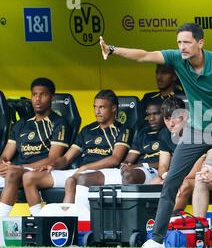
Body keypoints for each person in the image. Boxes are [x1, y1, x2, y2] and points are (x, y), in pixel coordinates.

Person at [99, 22, 212, 248]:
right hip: (196, 131)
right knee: (171, 180)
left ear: (200, 43)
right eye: (179, 43)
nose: (182, 47)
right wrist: (113, 49)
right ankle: (156, 239)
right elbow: (144, 56)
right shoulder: (177, 59)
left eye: (187, 42)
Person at [22, 90, 131, 214]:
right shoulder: (87, 130)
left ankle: (70, 222)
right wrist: (53, 165)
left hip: (105, 172)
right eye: (95, 107)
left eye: (102, 107)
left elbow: (115, 159)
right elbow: (67, 158)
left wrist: (85, 167)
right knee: (29, 177)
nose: (97, 111)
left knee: (72, 180)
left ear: (113, 108)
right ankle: (38, 220)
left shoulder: (123, 129)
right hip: (81, 170)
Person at [0, 77, 70, 217]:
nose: (37, 99)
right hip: (16, 170)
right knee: (12, 172)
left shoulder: (59, 123)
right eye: (34, 95)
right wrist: (2, 163)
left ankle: (5, 221)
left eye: (43, 94)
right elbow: (6, 153)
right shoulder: (20, 124)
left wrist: (21, 167)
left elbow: (53, 158)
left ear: (51, 97)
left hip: (40, 170)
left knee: (13, 173)